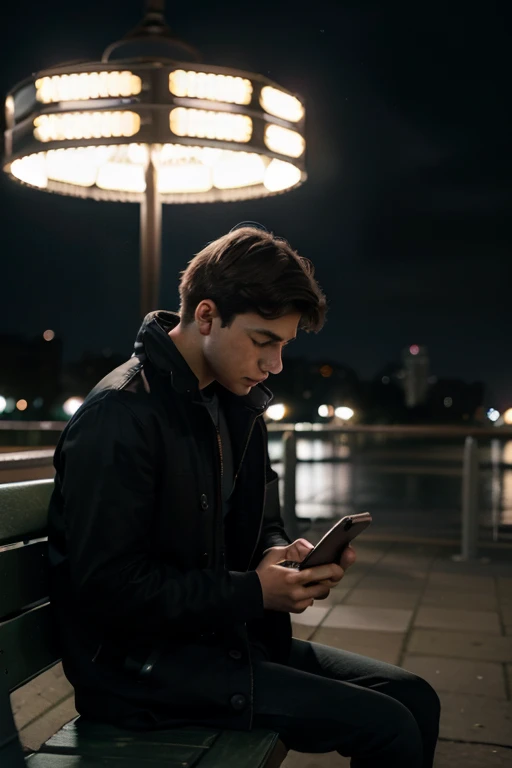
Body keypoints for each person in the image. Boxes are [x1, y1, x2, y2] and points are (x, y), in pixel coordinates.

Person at [47, 223, 440, 767]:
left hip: (219, 644)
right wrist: (254, 594)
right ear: (206, 315)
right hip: (141, 674)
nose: (275, 364)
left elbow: (265, 521)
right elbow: (108, 588)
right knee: (389, 725)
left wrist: (281, 557)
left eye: (283, 345)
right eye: (264, 341)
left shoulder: (235, 403)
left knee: (414, 697)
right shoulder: (121, 415)